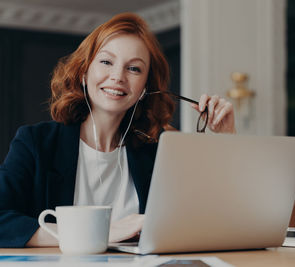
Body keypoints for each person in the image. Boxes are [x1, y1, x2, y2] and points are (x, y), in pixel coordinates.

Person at [0, 13, 235, 248]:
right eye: (106, 62)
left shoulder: (161, 151)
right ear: (84, 72)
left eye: (134, 68)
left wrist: (226, 142)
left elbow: (211, 219)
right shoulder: (35, 142)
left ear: (145, 87)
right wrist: (99, 232)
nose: (118, 77)